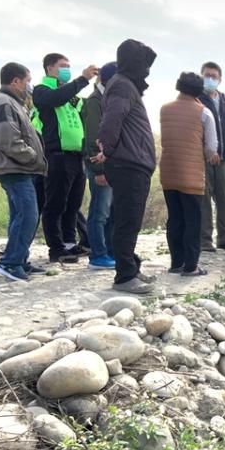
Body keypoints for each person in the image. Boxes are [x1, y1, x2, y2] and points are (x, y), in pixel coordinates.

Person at [94, 39, 158, 294]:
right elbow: (111, 122)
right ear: (135, 62)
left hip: (133, 163)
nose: (147, 71)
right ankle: (124, 277)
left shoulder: (125, 84)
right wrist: (107, 151)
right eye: (145, 64)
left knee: (129, 220)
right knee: (126, 221)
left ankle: (130, 267)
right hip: (128, 164)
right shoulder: (122, 85)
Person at [32, 54, 98, 262]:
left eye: (69, 66)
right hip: (56, 156)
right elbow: (55, 99)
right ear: (50, 68)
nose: (66, 70)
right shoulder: (42, 91)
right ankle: (56, 248)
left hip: (76, 156)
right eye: (63, 66)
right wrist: (82, 79)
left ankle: (70, 244)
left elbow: (85, 108)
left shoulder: (70, 95)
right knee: (55, 204)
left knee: (72, 204)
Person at [0, 62, 47, 281]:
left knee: (20, 216)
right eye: (27, 81)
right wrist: (33, 157)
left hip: (20, 168)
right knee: (28, 216)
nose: (29, 86)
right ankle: (10, 263)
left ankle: (19, 260)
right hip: (14, 168)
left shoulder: (15, 103)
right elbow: (8, 141)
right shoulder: (3, 103)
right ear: (15, 81)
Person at [160, 73, 217, 276]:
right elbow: (212, 147)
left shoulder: (165, 109)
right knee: (193, 220)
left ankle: (176, 263)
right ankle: (191, 266)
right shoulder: (204, 113)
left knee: (175, 218)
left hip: (168, 171)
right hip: (192, 174)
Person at [198, 61, 225, 252]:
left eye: (214, 76)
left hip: (224, 157)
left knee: (224, 198)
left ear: (220, 79)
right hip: (203, 157)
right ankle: (205, 240)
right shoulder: (197, 98)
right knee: (204, 197)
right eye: (207, 75)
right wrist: (208, 150)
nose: (210, 79)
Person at [81, 62, 118, 269]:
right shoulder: (95, 101)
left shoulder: (109, 100)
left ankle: (110, 251)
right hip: (100, 166)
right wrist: (98, 170)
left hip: (113, 165)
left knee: (111, 212)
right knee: (99, 212)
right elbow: (93, 138)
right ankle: (98, 254)